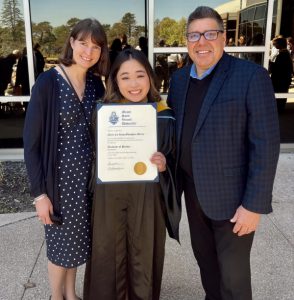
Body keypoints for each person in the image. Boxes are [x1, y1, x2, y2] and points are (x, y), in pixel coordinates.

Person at [167, 6, 280, 300]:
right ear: (187, 40)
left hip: (234, 200)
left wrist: (254, 206)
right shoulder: (179, 81)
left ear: (224, 38)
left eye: (209, 33)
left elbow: (265, 145)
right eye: (194, 35)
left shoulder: (251, 77)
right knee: (207, 266)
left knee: (234, 277)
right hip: (193, 194)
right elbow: (175, 132)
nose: (201, 42)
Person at [83, 48, 180, 300]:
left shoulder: (163, 113)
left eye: (140, 75)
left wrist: (164, 164)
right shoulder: (103, 112)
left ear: (150, 77)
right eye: (125, 77)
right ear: (114, 80)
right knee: (107, 256)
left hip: (147, 197)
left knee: (143, 256)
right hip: (109, 197)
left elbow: (175, 160)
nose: (134, 84)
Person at [23, 18, 109, 300]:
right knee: (61, 247)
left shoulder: (97, 84)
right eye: (83, 43)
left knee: (77, 244)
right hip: (60, 184)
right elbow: (31, 144)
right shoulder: (48, 83)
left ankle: (72, 294)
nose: (88, 51)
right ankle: (56, 297)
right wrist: (40, 195)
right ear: (71, 42)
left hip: (89, 181)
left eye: (96, 46)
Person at [270, 37, 293, 112]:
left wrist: (270, 64)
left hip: (280, 79)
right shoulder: (285, 53)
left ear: (280, 44)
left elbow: (278, 67)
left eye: (275, 43)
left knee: (279, 93)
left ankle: (279, 108)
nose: (274, 45)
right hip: (284, 78)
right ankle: (280, 107)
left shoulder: (283, 54)